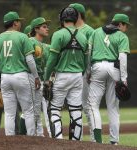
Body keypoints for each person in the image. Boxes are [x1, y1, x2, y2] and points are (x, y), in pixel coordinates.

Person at [0, 11, 40, 136]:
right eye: (19, 21)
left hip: (5, 78)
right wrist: (36, 77)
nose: (20, 23)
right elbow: (30, 60)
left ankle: (10, 142)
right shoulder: (22, 37)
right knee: (28, 110)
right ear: (14, 23)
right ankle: (31, 138)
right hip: (21, 76)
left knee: (9, 113)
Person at [44, 7, 88, 140]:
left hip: (62, 76)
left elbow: (52, 60)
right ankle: (76, 142)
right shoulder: (83, 35)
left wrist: (46, 78)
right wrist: (82, 73)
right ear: (75, 19)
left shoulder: (59, 34)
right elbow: (86, 61)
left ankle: (58, 141)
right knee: (75, 110)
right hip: (77, 76)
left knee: (55, 109)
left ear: (62, 19)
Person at [87, 14, 131, 144]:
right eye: (126, 25)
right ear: (120, 24)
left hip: (98, 67)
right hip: (115, 70)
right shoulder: (122, 36)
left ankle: (97, 139)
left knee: (93, 105)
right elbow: (122, 58)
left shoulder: (96, 32)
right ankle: (114, 141)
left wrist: (88, 71)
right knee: (113, 107)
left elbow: (89, 52)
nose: (126, 28)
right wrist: (124, 78)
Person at [19, 18, 51, 137]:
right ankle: (21, 137)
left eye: (47, 26)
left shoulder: (43, 45)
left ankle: (34, 138)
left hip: (39, 80)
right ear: (36, 29)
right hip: (29, 77)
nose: (47, 28)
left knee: (36, 112)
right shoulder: (30, 41)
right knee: (29, 110)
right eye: (44, 26)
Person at [69, 3, 95, 141]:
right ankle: (75, 138)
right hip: (70, 73)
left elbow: (92, 54)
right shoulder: (67, 30)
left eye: (71, 12)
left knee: (87, 105)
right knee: (73, 106)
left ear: (78, 14)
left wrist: (89, 71)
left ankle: (93, 139)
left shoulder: (89, 31)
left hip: (84, 73)